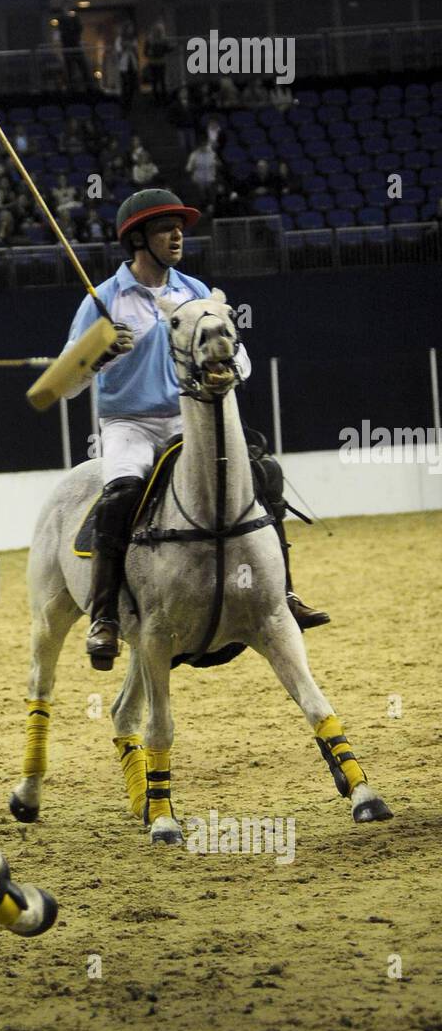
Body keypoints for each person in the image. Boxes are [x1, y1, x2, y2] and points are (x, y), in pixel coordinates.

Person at [62, 187, 328, 669]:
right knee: (121, 494)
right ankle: (105, 617)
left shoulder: (196, 292)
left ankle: (283, 592)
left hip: (191, 421)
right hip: (131, 424)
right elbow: (66, 385)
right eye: (166, 228)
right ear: (138, 239)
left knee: (263, 472)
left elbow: (238, 356)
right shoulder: (103, 301)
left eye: (180, 226)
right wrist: (97, 357)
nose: (178, 234)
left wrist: (231, 370)